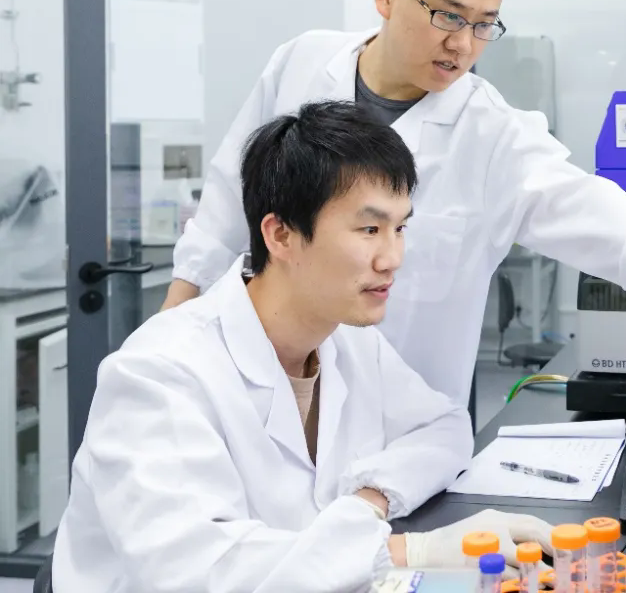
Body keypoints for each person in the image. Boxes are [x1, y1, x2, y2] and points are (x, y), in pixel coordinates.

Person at [162, 0, 626, 408]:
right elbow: (227, 205)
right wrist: (171, 329)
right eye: (448, 15)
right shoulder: (300, 63)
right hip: (259, 389)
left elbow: (583, 204)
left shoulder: (490, 132)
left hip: (398, 427)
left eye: (484, 25)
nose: (462, 44)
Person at [52, 101, 554, 592]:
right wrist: (406, 551)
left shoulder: (348, 342)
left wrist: (368, 500)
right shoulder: (158, 374)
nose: (392, 258)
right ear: (281, 235)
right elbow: (199, 573)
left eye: (400, 228)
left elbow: (443, 426)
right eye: (370, 229)